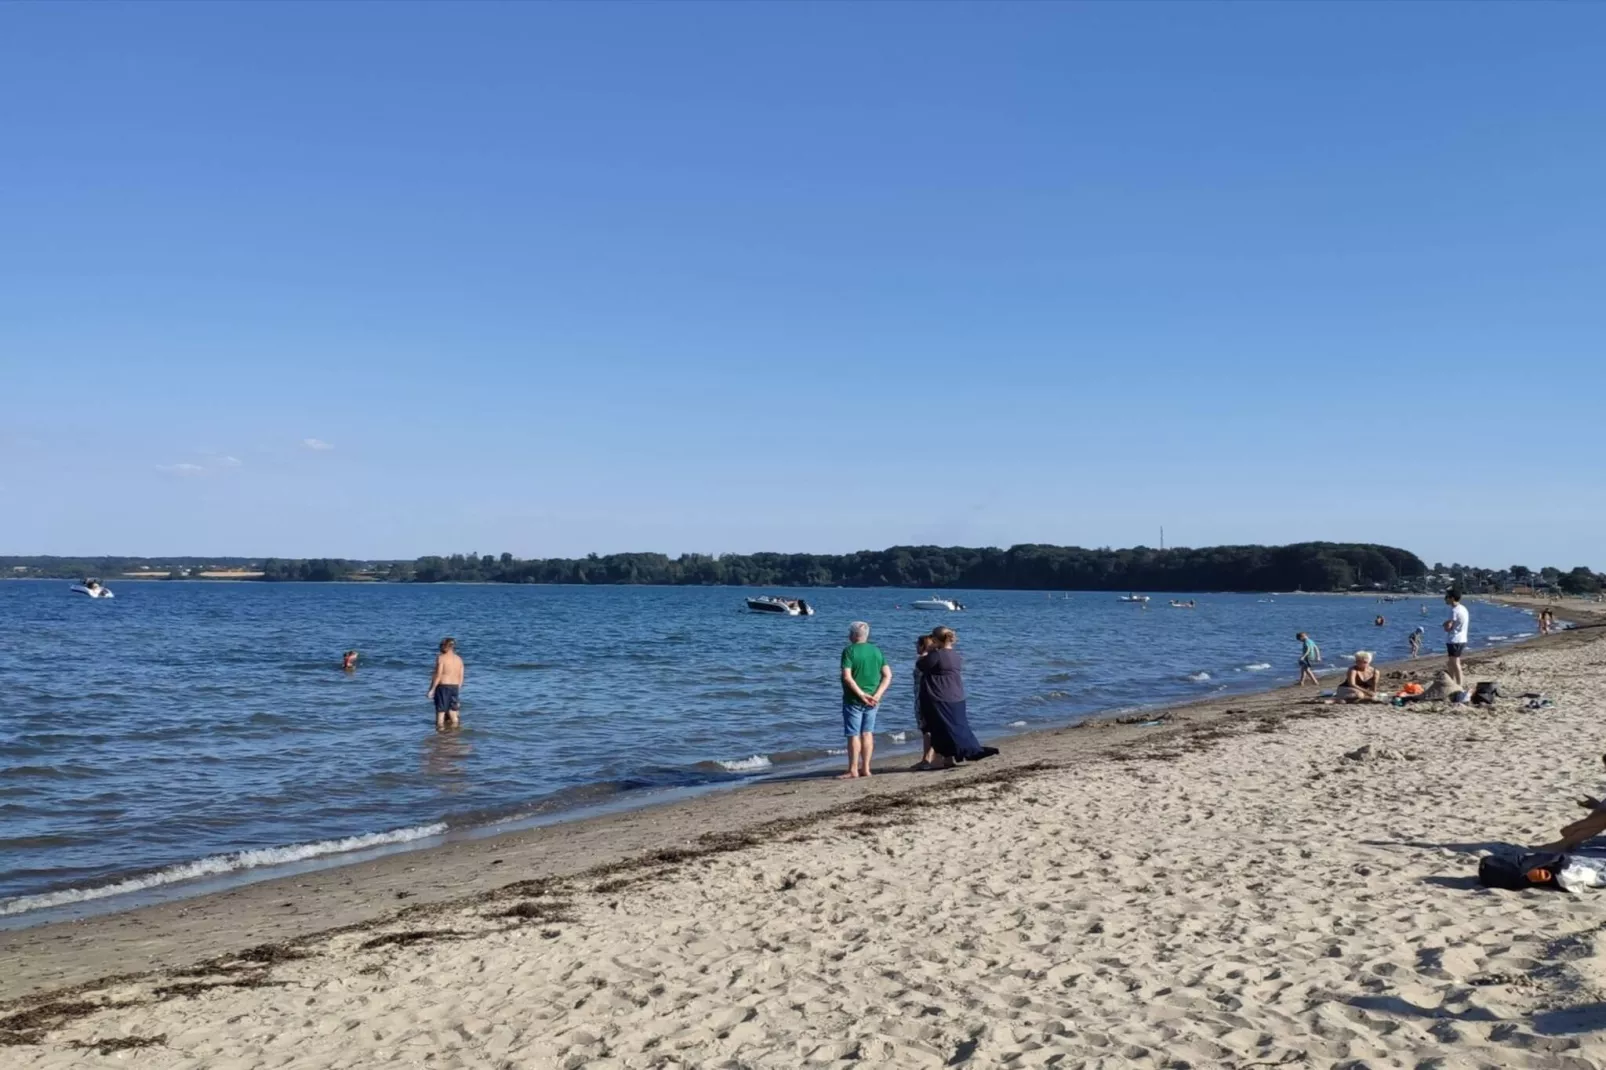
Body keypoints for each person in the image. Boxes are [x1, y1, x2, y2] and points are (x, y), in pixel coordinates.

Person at [915, 626, 1000, 767]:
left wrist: (927, 652)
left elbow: (921, 665)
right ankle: (951, 758)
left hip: (940, 697)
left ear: (936, 640)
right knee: (958, 727)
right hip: (957, 695)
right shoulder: (955, 655)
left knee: (941, 730)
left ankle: (958, 754)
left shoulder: (937, 655)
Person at [839, 621, 891, 779]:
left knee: (854, 734)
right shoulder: (876, 650)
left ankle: (853, 769)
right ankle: (866, 768)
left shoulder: (849, 651)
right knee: (867, 733)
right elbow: (888, 675)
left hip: (854, 699)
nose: (848, 635)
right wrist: (877, 695)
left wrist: (861, 695)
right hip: (873, 700)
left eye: (850, 632)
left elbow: (847, 677)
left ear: (854, 635)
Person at [911, 634, 938, 770]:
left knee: (925, 728)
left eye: (917, 644)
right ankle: (929, 757)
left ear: (923, 646)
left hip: (922, 697)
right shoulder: (933, 659)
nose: (915, 646)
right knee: (929, 728)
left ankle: (927, 758)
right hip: (928, 696)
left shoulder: (922, 661)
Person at [428, 637, 465, 731]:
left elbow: (438, 675)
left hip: (443, 687)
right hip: (455, 687)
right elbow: (461, 677)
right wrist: (458, 689)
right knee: (454, 713)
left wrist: (432, 689)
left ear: (445, 647)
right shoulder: (459, 659)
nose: (440, 647)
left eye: (441, 645)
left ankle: (440, 735)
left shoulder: (441, 658)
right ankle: (455, 734)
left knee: (440, 713)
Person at [1443, 591, 1470, 689]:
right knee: (1451, 663)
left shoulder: (1454, 610)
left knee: (1455, 663)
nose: (1445, 599)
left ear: (1452, 598)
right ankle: (1452, 683)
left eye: (1447, 597)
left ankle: (1459, 685)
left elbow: (1449, 627)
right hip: (1462, 639)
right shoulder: (1463, 608)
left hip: (1455, 639)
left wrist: (1445, 625)